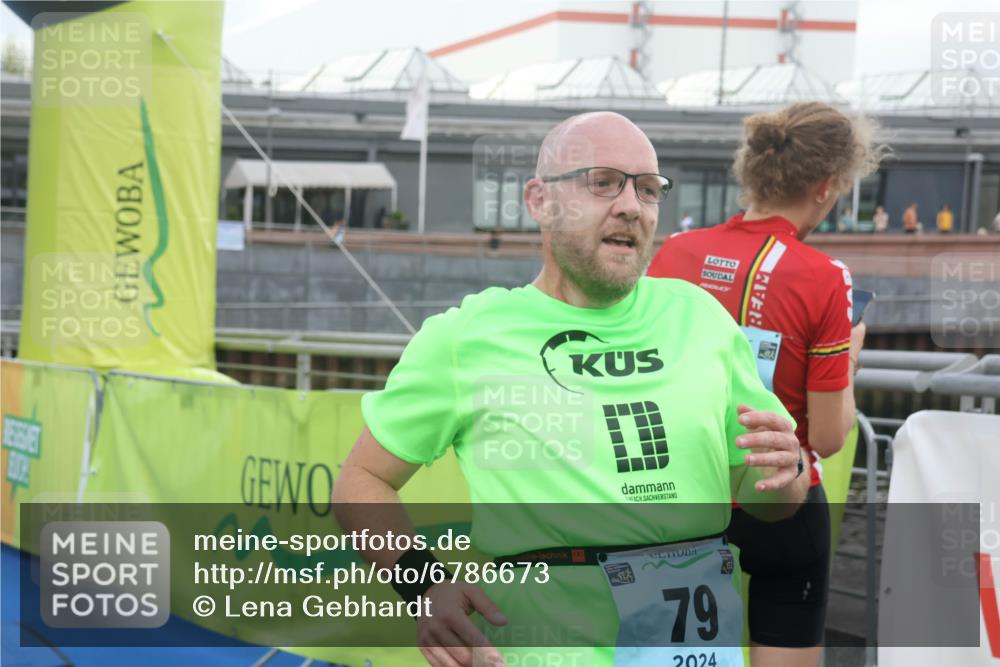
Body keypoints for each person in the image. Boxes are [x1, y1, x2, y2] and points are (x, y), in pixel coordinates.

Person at [333, 112, 809, 667]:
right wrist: (425, 587)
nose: (631, 205)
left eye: (648, 189)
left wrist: (785, 473)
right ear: (540, 202)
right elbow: (360, 482)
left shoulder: (701, 319)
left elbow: (771, 503)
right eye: (603, 182)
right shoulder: (469, 336)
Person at [647, 101, 882, 667]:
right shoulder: (827, 279)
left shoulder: (675, 253)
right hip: (780, 491)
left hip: (675, 494)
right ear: (827, 187)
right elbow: (827, 436)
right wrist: (848, 362)